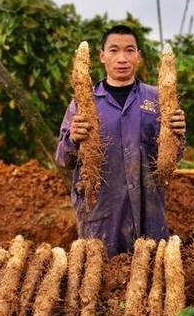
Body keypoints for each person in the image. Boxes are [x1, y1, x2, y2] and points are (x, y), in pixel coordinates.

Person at [55, 25, 186, 257]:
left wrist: (176, 136)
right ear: (102, 56)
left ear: (138, 56)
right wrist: (74, 138)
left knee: (150, 278)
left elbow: (170, 161)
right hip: (101, 215)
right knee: (99, 278)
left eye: (129, 50)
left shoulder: (158, 99)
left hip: (149, 213)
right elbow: (62, 159)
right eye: (114, 50)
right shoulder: (82, 103)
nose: (122, 58)